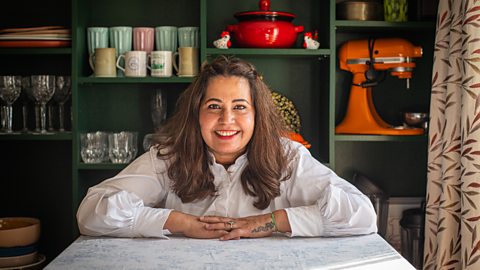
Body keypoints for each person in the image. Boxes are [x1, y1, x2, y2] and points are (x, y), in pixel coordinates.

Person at [77, 55, 377, 240]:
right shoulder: (167, 157)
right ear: (197, 112)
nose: (227, 120)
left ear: (257, 114)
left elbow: (362, 214)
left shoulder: (288, 157)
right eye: (214, 106)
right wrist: (179, 223)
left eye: (240, 106)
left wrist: (268, 222)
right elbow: (91, 214)